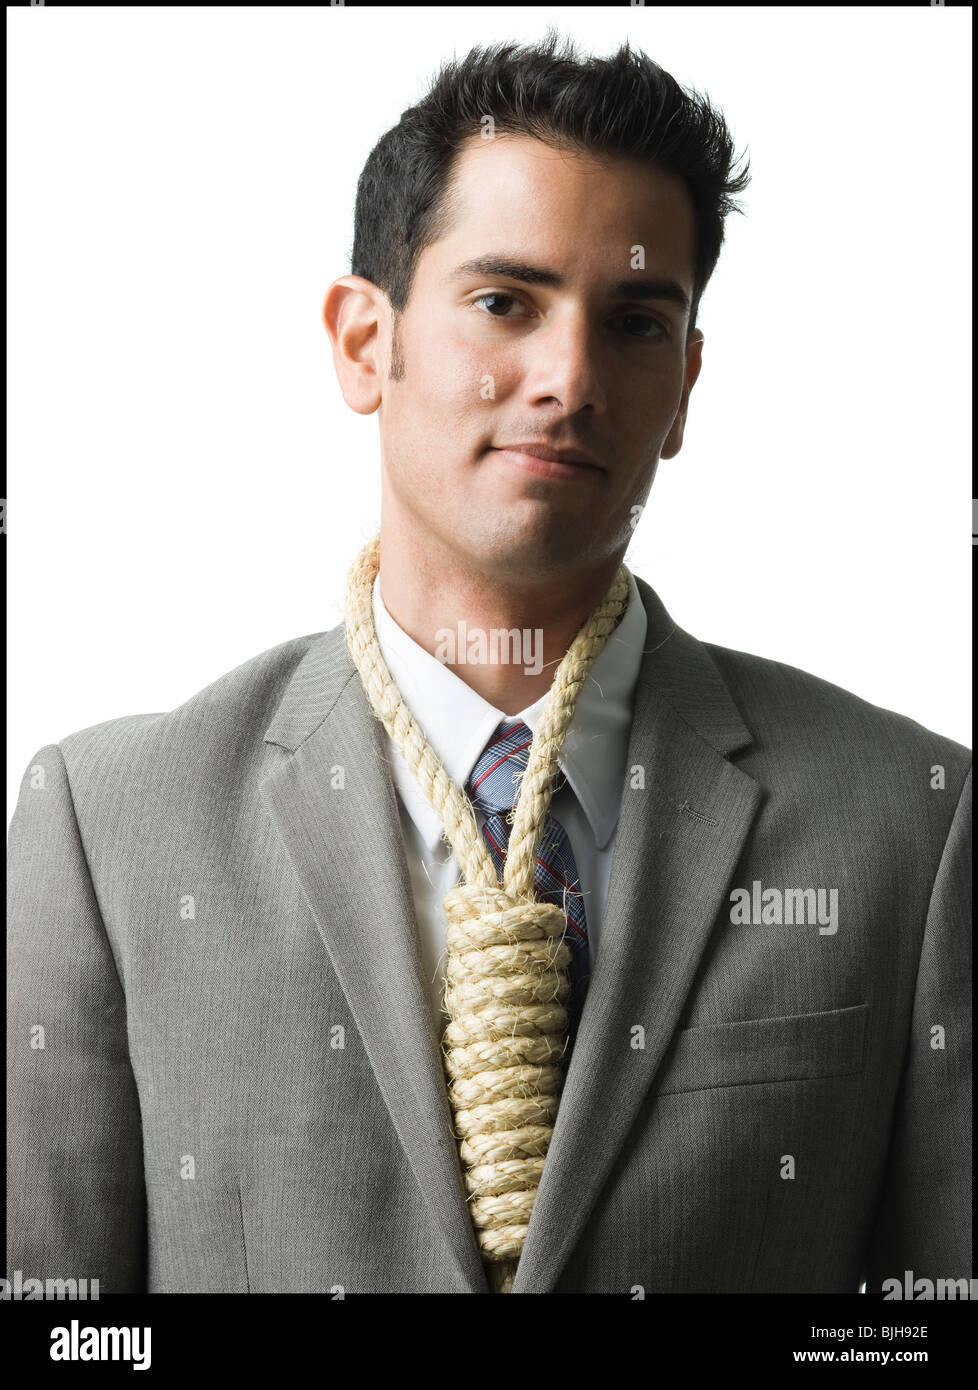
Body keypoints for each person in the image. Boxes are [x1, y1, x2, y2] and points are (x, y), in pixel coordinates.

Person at [7, 32, 970, 1296]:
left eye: (633, 322)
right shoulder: (109, 831)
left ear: (684, 387)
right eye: (504, 301)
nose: (569, 379)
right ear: (366, 341)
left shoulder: (912, 827)